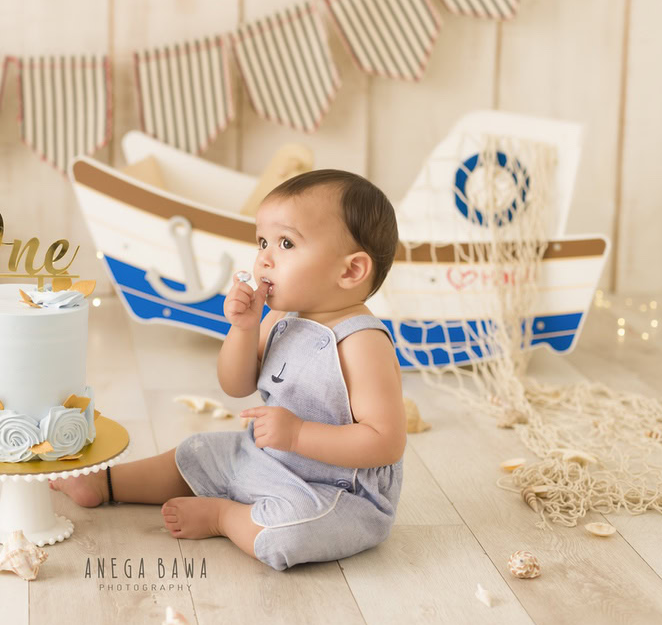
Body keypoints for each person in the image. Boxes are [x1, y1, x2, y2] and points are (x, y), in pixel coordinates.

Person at [51, 169, 406, 570]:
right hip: (265, 459)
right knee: (198, 453)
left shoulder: (361, 343)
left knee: (288, 535)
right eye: (262, 242)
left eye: (286, 243)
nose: (265, 258)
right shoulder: (280, 320)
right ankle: (105, 482)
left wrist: (300, 434)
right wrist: (243, 328)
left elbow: (385, 442)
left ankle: (224, 516)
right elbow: (234, 385)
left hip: (333, 493)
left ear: (350, 271)